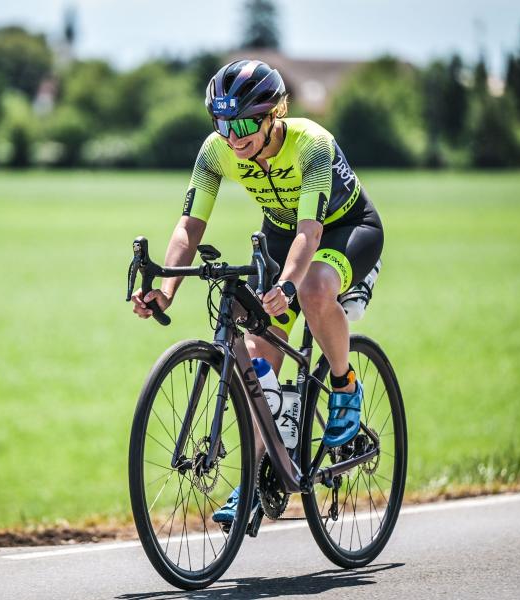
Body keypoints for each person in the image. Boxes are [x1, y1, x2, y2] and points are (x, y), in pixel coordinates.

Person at [130, 59, 383, 525]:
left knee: (312, 289)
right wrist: (167, 290)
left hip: (345, 229)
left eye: (245, 124)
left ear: (275, 114)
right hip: (281, 237)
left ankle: (345, 385)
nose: (233, 136)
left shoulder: (312, 144)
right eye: (222, 123)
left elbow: (311, 232)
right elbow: (189, 227)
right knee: (253, 353)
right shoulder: (215, 151)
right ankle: (258, 474)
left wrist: (287, 285)